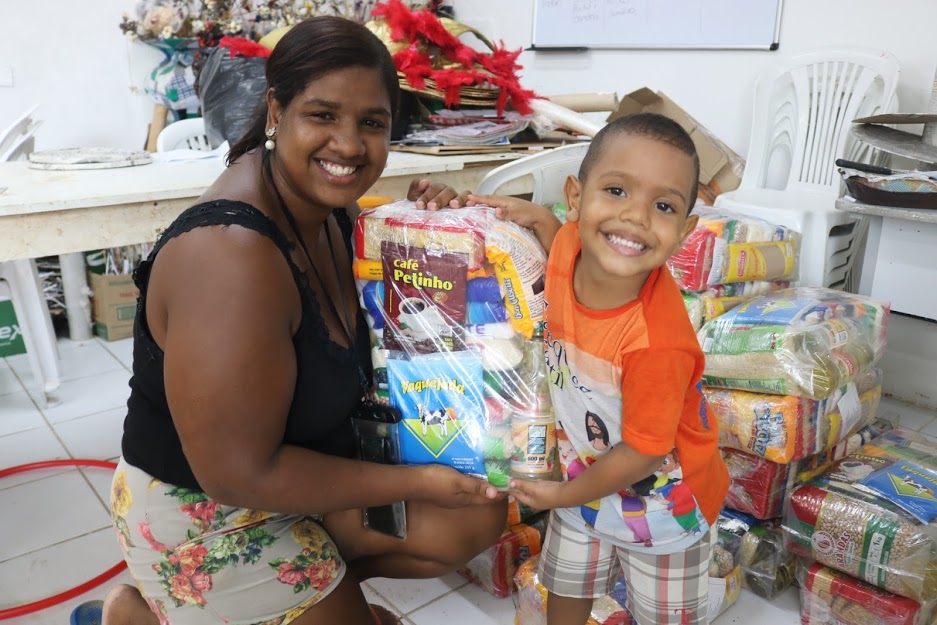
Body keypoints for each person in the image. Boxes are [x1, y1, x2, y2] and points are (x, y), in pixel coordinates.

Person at [99, 16, 506, 625]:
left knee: (470, 518)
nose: (348, 145)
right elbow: (238, 475)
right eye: (323, 115)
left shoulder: (328, 211)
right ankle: (162, 602)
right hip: (206, 507)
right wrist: (417, 483)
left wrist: (440, 226)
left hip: (296, 475)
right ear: (275, 110)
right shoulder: (229, 256)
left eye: (372, 123)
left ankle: (199, 611)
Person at [466, 113, 730, 625]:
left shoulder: (657, 344)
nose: (635, 217)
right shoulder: (570, 244)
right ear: (575, 197)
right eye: (615, 190)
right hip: (584, 475)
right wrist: (522, 213)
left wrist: (562, 494)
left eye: (663, 206)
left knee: (663, 613)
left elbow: (644, 452)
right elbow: (553, 232)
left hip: (664, 506)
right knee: (566, 582)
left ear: (684, 233)